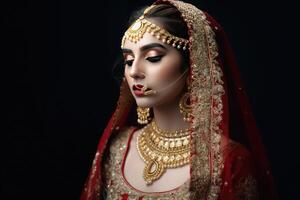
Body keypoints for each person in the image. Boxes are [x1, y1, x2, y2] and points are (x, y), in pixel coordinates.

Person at [81, 0, 277, 199]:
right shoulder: (116, 149)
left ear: (192, 64)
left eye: (153, 57)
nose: (134, 71)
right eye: (129, 60)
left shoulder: (228, 161)